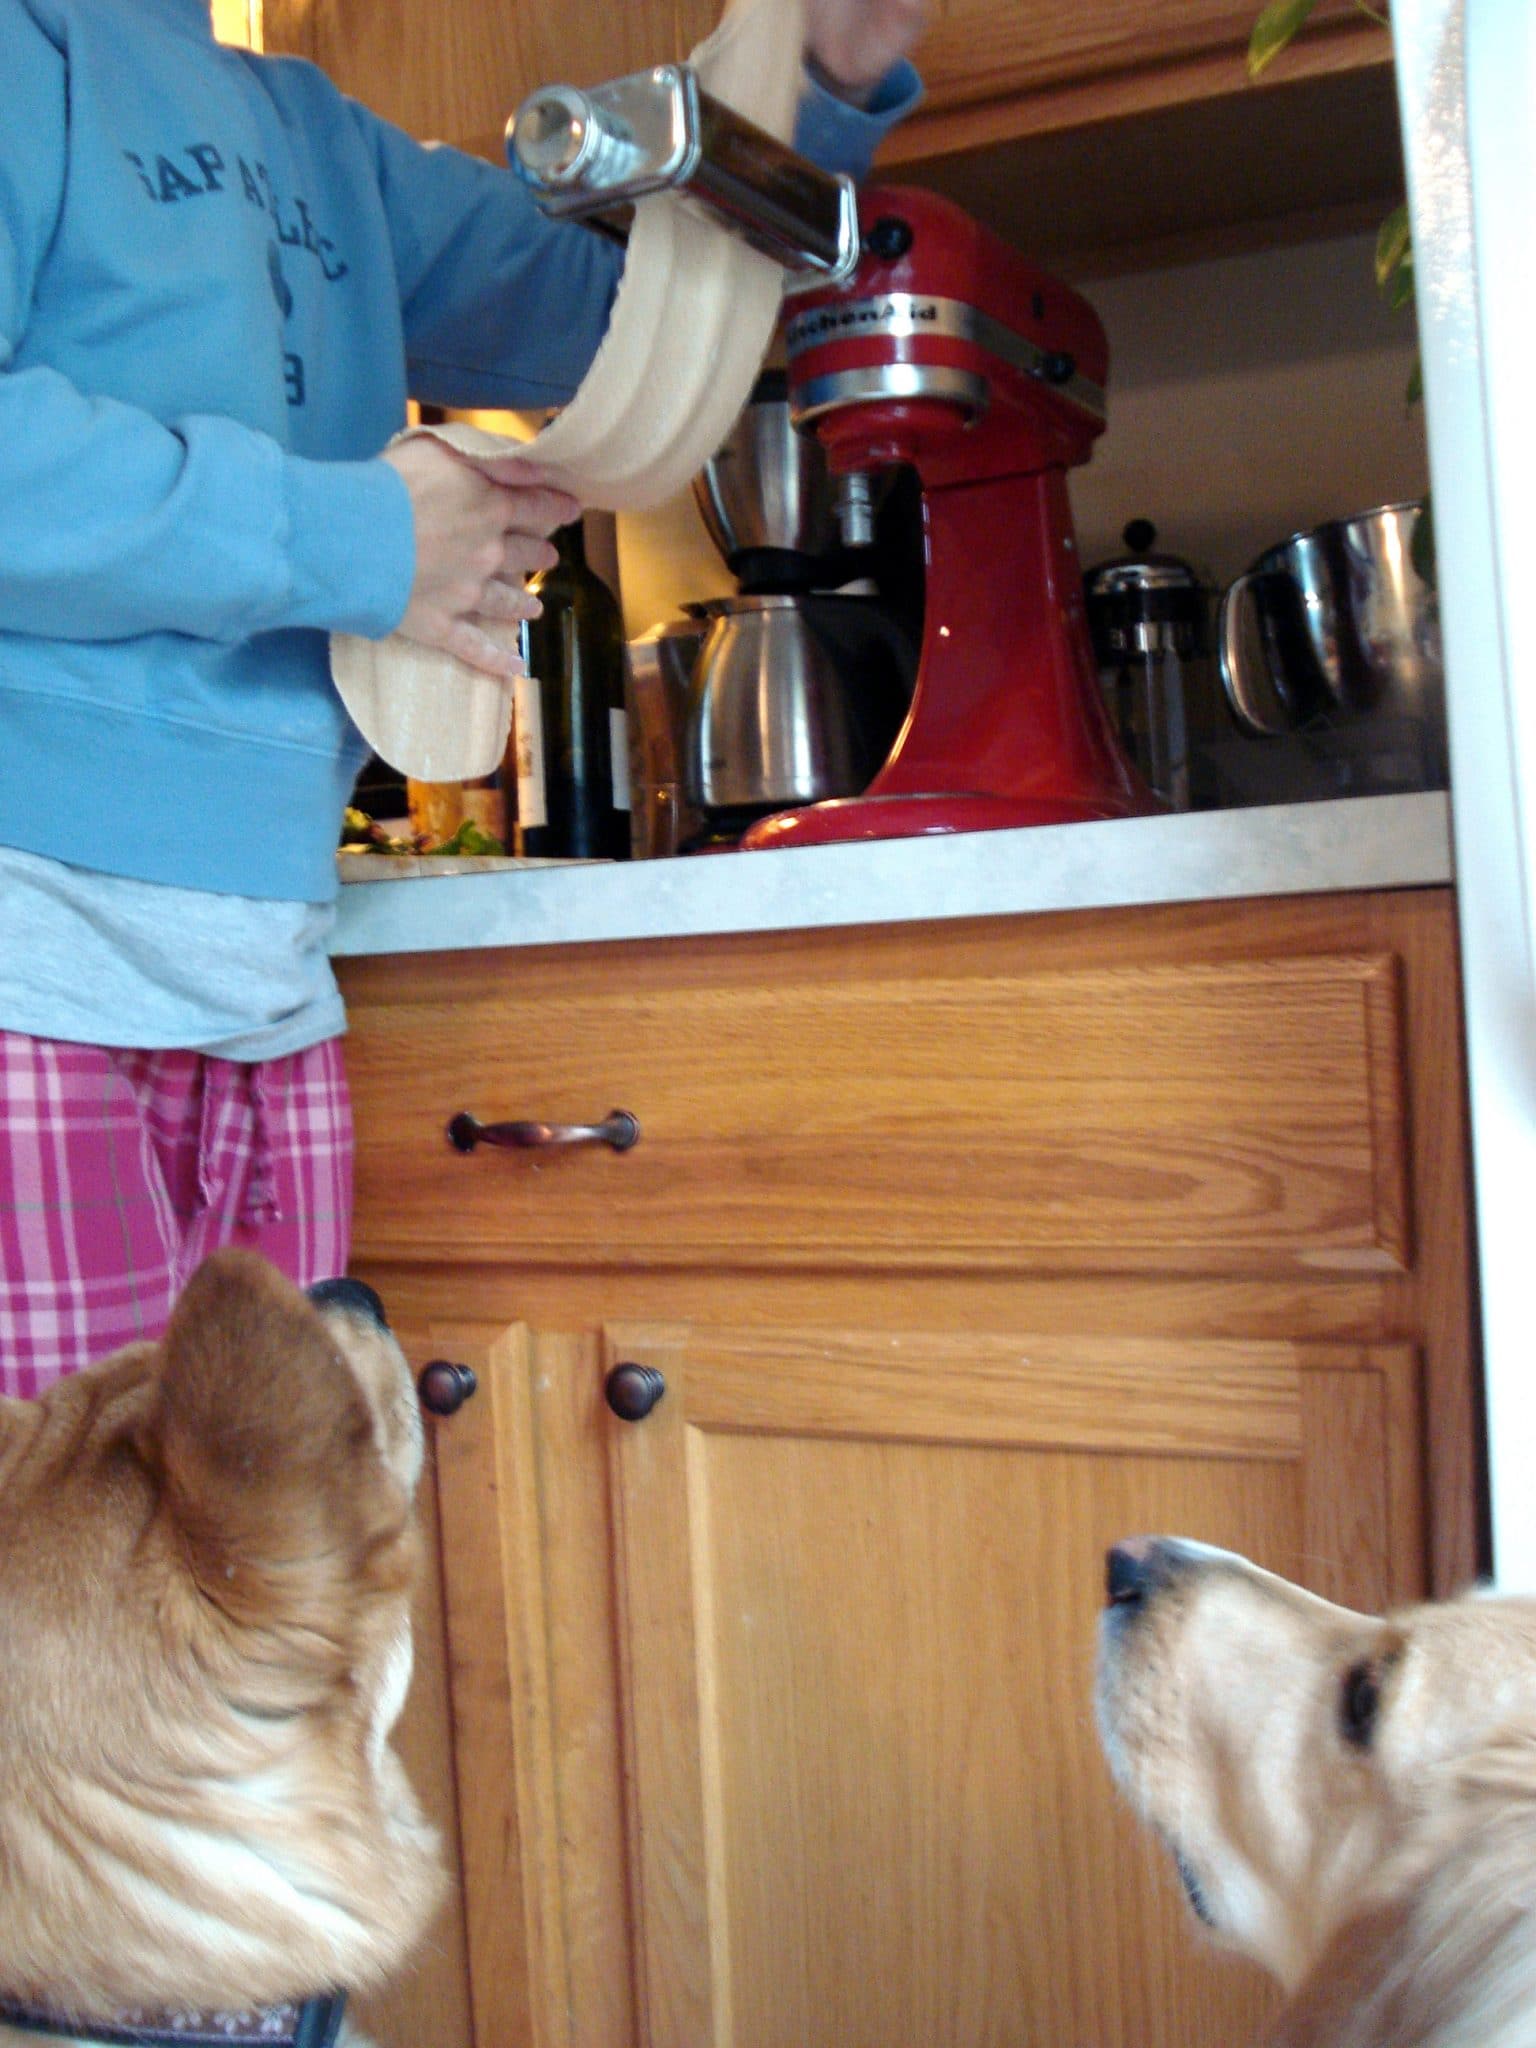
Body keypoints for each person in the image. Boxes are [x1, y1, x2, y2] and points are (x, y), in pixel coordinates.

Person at [0, 0, 927, 1395]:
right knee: (62, 1595)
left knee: (282, 1577)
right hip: (31, 965)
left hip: (265, 988)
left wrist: (814, 79)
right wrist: (365, 539)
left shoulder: (321, 138)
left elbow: (647, 328)